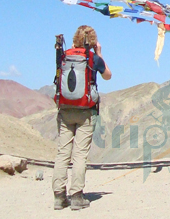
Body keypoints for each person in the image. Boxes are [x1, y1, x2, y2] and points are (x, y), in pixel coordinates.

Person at [52, 25, 112, 211]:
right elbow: (108, 76)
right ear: (93, 41)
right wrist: (99, 53)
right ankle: (77, 196)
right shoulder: (93, 58)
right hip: (85, 111)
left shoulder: (64, 56)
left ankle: (59, 196)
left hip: (65, 109)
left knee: (63, 153)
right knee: (79, 154)